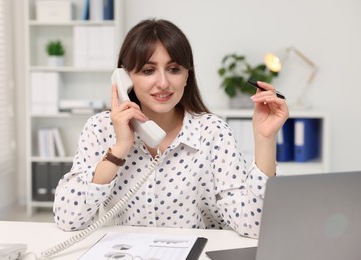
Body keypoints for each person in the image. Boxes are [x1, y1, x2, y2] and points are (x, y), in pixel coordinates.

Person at [53, 18, 289, 239]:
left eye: (174, 69)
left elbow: (255, 225)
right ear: (125, 78)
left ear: (187, 75)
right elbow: (67, 219)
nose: (163, 83)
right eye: (148, 70)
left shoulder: (213, 131)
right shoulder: (100, 129)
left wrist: (264, 139)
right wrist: (120, 147)